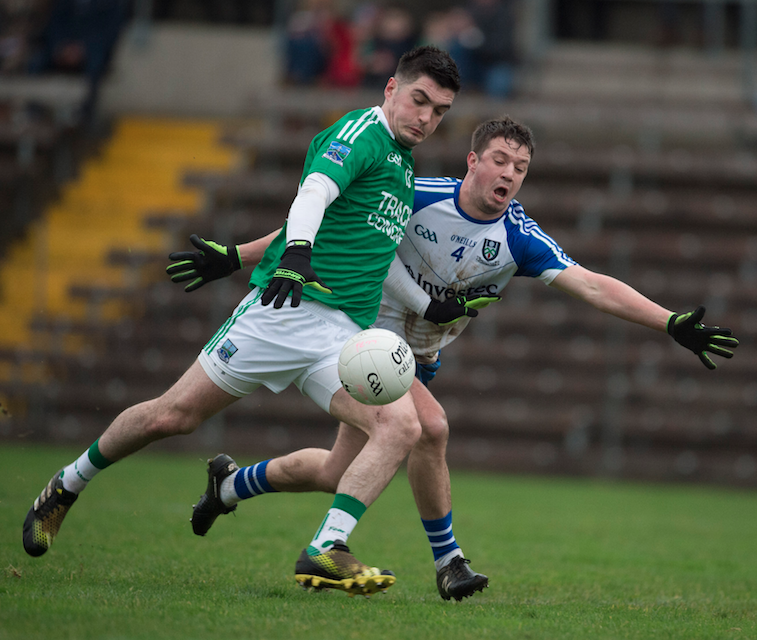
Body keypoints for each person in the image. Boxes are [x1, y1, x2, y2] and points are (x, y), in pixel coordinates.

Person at [165, 116, 740, 602]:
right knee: (430, 428)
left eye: (520, 167)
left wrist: (667, 321)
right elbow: (322, 223)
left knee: (335, 473)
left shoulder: (519, 236)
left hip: (405, 358)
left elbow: (590, 285)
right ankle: (447, 562)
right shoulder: (416, 194)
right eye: (499, 160)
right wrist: (239, 255)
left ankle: (230, 486)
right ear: (472, 161)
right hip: (353, 334)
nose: (509, 173)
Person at [21, 45, 461, 598]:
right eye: (419, 100)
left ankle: (326, 548)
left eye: (439, 111)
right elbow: (312, 196)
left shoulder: (401, 161)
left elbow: (375, 253)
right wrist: (296, 252)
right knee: (172, 417)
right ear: (391, 89)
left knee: (402, 426)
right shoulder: (359, 135)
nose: (426, 118)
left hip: (344, 339)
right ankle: (66, 485)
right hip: (282, 311)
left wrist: (424, 305)